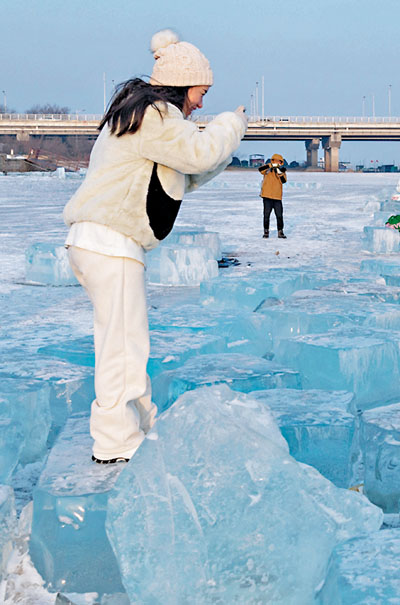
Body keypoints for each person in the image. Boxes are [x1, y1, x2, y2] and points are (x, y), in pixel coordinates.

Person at [62, 29, 247, 463]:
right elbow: (200, 152)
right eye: (201, 92)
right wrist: (230, 124)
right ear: (183, 85)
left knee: (129, 340)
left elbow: (189, 171)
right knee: (122, 345)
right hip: (109, 243)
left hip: (101, 242)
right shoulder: (156, 115)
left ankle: (141, 422)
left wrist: (218, 149)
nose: (201, 102)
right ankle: (114, 441)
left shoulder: (145, 117)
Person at [259, 153, 287, 238]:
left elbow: (284, 180)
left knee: (279, 215)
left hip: (277, 197)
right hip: (267, 195)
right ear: (273, 161)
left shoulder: (282, 171)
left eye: (279, 161)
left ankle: (280, 232)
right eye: (276, 161)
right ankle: (266, 231)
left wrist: (279, 171)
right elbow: (260, 169)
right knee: (266, 215)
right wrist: (270, 166)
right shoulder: (267, 169)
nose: (277, 163)